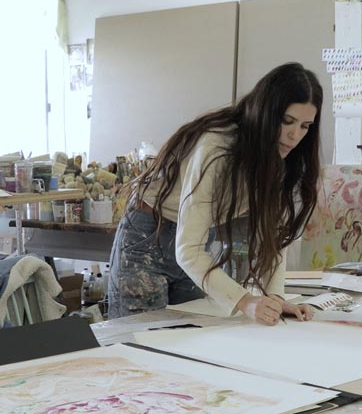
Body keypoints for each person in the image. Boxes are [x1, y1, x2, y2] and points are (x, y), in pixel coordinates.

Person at [108, 62, 322, 325]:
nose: (294, 135)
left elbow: (272, 237)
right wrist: (246, 301)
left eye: (305, 126)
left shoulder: (280, 156)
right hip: (148, 235)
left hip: (197, 242)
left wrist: (275, 299)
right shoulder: (218, 146)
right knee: (140, 340)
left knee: (190, 337)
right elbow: (188, 250)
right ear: (266, 111)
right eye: (287, 121)